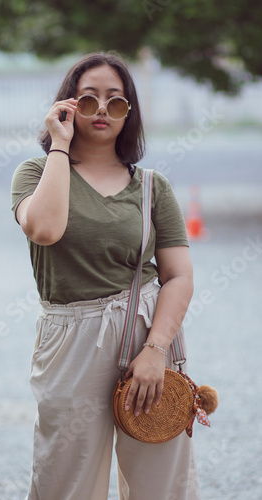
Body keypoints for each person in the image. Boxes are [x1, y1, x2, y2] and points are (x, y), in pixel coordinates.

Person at [11, 51, 201, 500]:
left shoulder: (153, 186)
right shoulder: (35, 173)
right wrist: (60, 144)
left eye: (115, 102)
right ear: (66, 105)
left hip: (147, 329)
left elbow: (179, 277)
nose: (101, 111)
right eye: (88, 99)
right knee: (65, 479)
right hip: (71, 338)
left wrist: (156, 350)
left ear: (129, 112)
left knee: (161, 480)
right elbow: (45, 228)